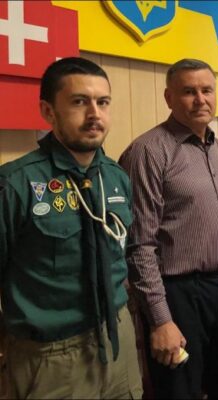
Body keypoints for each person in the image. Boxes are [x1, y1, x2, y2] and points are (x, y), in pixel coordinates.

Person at [0, 57, 142, 398]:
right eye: (79, 102)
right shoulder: (16, 183)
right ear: (48, 112)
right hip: (51, 356)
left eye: (103, 102)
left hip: (118, 337)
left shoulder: (116, 177)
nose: (94, 114)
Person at [119, 59, 218, 399]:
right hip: (179, 293)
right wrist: (160, 319)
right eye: (188, 92)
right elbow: (139, 244)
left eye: (207, 90)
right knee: (180, 389)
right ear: (169, 97)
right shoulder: (148, 151)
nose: (200, 99)